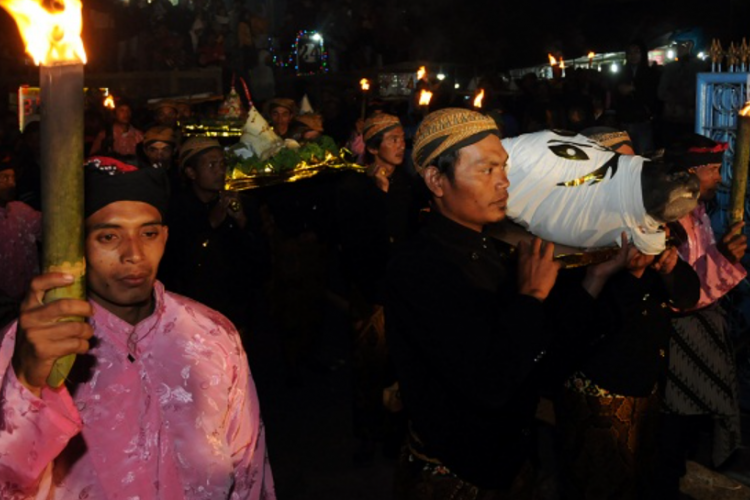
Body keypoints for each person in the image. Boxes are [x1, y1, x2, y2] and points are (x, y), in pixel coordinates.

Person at [386, 108, 630, 499]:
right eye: (486, 170)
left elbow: (544, 360)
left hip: (513, 460)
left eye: (504, 167)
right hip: (457, 471)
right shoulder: (419, 267)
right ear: (436, 180)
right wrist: (531, 297)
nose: (504, 182)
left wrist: (594, 279)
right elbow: (490, 382)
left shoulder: (497, 248)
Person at [0, 156, 275, 498]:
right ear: (76, 244)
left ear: (165, 237)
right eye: (108, 236)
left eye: (148, 233)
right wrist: (25, 382)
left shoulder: (212, 334)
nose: (134, 253)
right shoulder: (36, 340)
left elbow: (248, 468)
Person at [654, 134, 747, 499]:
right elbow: (680, 292)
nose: (721, 178)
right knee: (675, 424)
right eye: (714, 170)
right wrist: (724, 257)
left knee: (694, 423)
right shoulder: (670, 217)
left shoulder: (697, 210)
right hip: (680, 339)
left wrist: (723, 254)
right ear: (691, 172)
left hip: (703, 328)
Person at [337, 114, 421, 463]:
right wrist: (378, 197)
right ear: (372, 147)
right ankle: (369, 434)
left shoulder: (409, 185)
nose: (402, 145)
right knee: (370, 366)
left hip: (404, 290)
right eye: (393, 140)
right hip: (371, 291)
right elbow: (355, 242)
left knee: (402, 365)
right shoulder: (354, 188)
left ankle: (399, 434)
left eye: (403, 139)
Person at [159, 137, 266, 331]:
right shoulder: (176, 209)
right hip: (193, 309)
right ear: (191, 172)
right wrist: (210, 223)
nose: (220, 171)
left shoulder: (243, 203)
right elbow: (177, 262)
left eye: (222, 164)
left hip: (235, 305)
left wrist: (242, 221)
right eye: (211, 165)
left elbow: (260, 258)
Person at [0, 156, 41, 324]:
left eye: (13, 178)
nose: (12, 183)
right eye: (4, 178)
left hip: (26, 299)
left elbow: (47, 228)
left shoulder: (20, 210)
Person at [614, 40, 659, 155]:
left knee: (644, 155)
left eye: (636, 52)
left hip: (642, 121)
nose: (633, 55)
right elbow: (616, 90)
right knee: (625, 156)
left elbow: (652, 94)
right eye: (630, 52)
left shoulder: (650, 73)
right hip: (624, 120)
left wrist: (634, 89)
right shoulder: (622, 72)